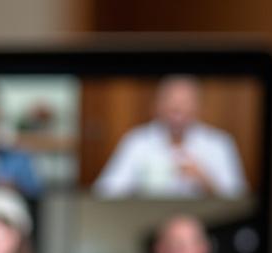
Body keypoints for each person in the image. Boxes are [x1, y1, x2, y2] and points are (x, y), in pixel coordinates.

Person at [94, 75, 248, 198]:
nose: (178, 108)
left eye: (185, 102)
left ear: (198, 107)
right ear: (157, 106)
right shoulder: (136, 141)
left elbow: (240, 198)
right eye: (171, 101)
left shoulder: (219, 143)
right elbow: (104, 193)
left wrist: (205, 181)